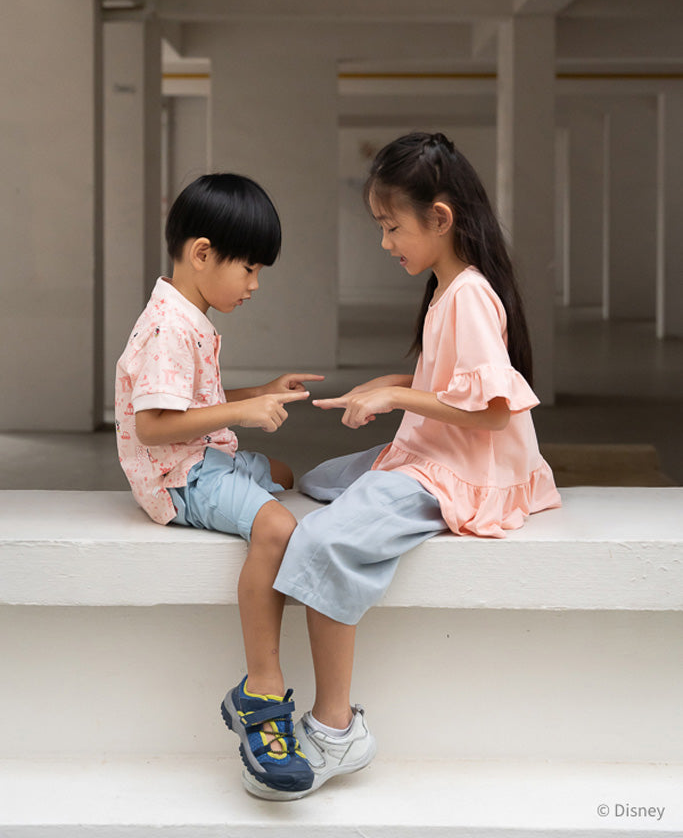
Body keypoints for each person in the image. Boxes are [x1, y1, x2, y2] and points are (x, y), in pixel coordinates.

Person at [271, 132, 561, 799]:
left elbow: (491, 411)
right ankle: (385, 493)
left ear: (439, 218)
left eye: (390, 226)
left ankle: (337, 729)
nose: (384, 242)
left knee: (322, 541)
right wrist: (388, 386)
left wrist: (397, 396)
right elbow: (452, 379)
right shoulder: (450, 285)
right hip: (431, 447)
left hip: (460, 466)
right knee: (320, 483)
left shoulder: (466, 296)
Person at [114, 172, 324, 798]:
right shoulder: (168, 329)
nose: (255, 285)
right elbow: (153, 425)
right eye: (250, 269)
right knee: (279, 525)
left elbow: (187, 400)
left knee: (285, 477)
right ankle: (259, 689)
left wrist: (258, 393)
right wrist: (240, 414)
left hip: (204, 456)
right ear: (202, 253)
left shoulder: (186, 313)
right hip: (180, 476)